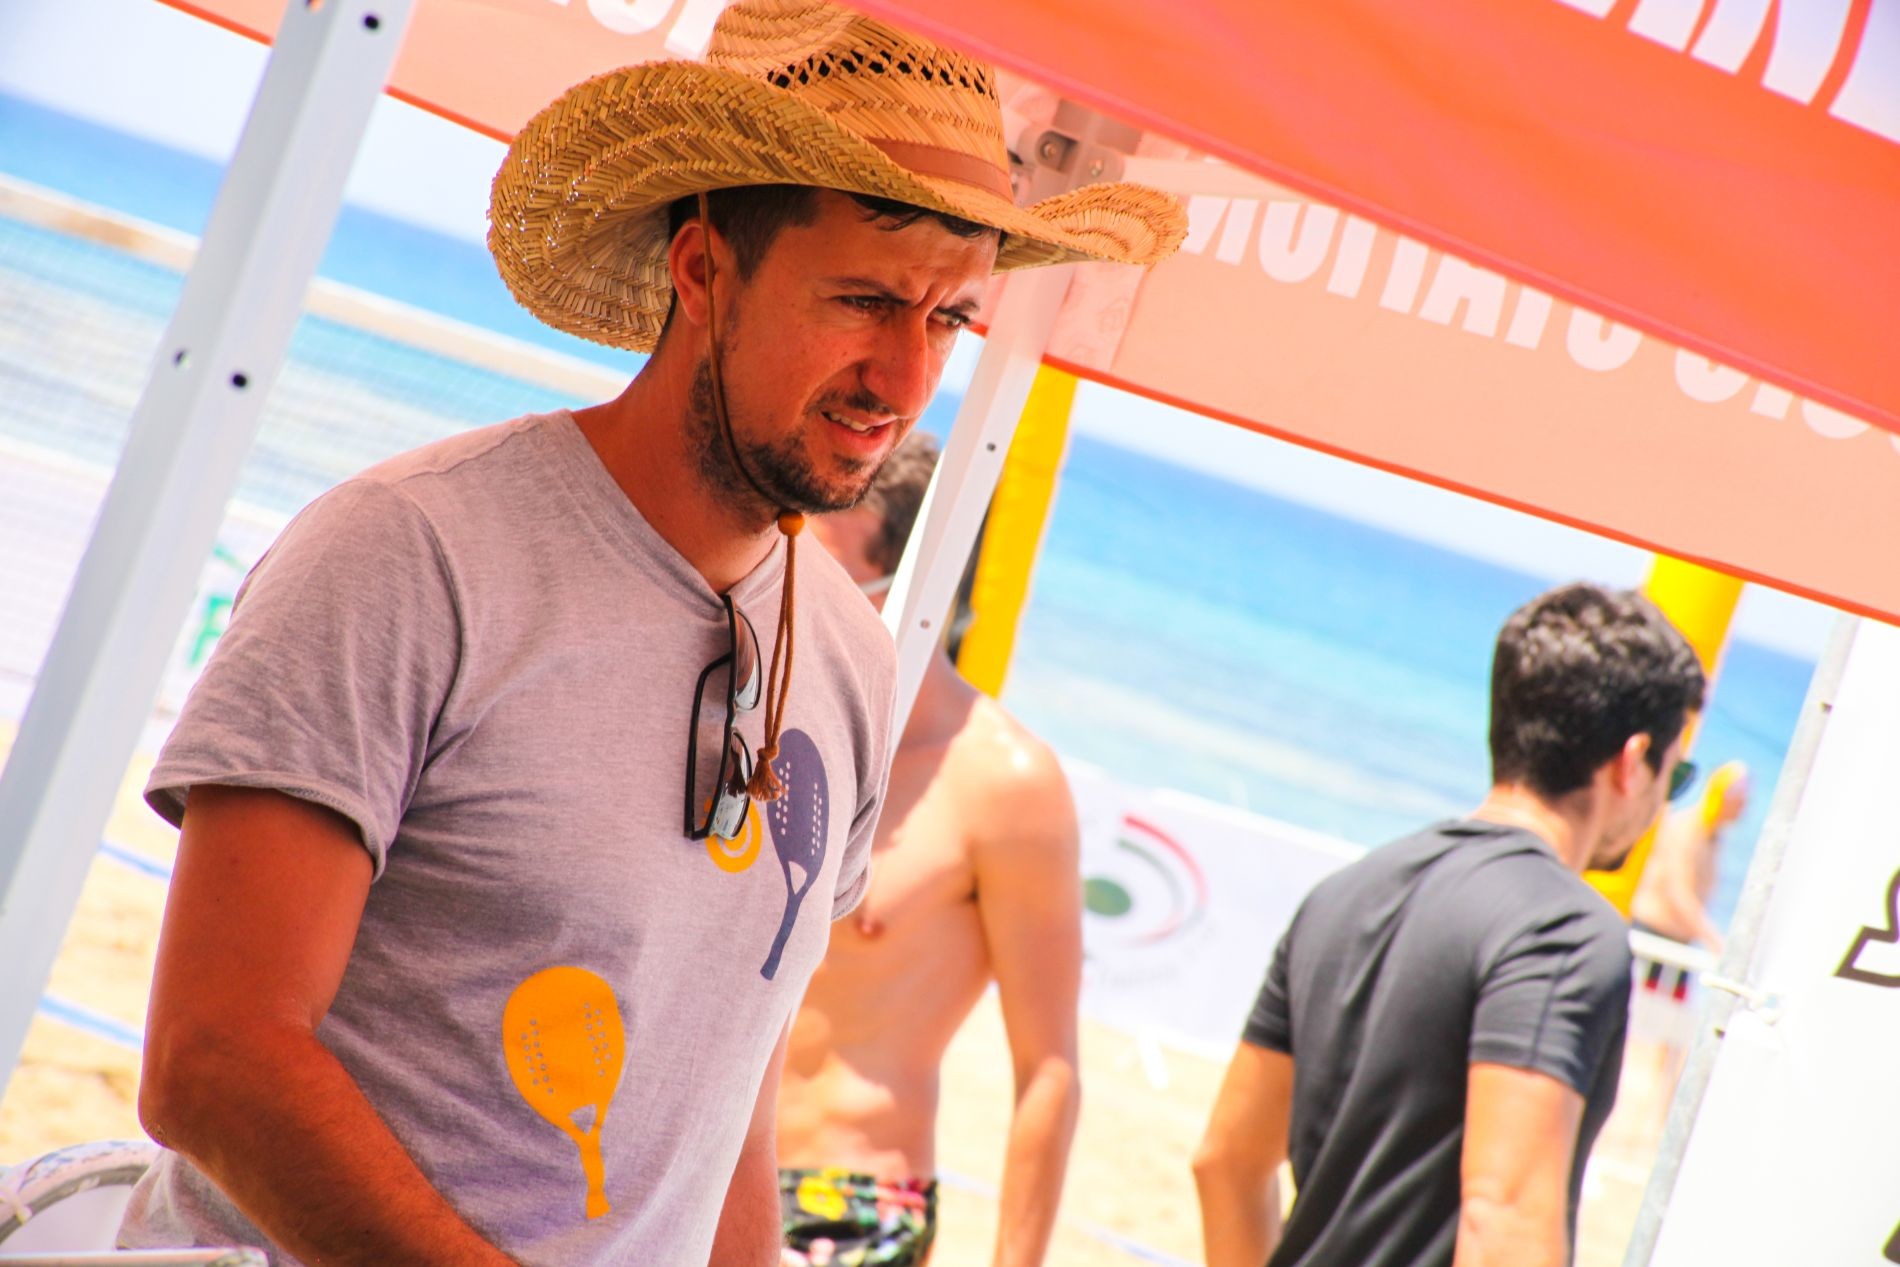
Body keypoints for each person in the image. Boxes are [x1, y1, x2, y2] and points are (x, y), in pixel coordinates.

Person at [117, 3, 1184, 1263]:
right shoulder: (412, 552)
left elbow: (723, 1104)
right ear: (701, 271)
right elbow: (215, 1058)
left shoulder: (849, 660)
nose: (904, 380)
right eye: (863, 300)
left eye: (947, 318)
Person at [1193, 582, 1706, 1267]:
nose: (1664, 803)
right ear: (1632, 761)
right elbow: (1504, 1220)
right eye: (1677, 776)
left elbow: (1226, 1162)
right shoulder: (1562, 930)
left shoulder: (1346, 893)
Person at [775, 435, 1082, 1267]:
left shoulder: (1004, 782)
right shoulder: (770, 721)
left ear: (922, 586)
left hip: (849, 1197)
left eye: (826, 564)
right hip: (702, 1156)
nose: (793, 581)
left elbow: (1048, 1064)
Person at [1632, 759, 1747, 960]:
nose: (1744, 806)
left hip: (1677, 944)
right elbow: (1678, 892)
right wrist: (1713, 939)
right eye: (1740, 798)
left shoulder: (1713, 837)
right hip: (1651, 935)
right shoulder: (1687, 829)